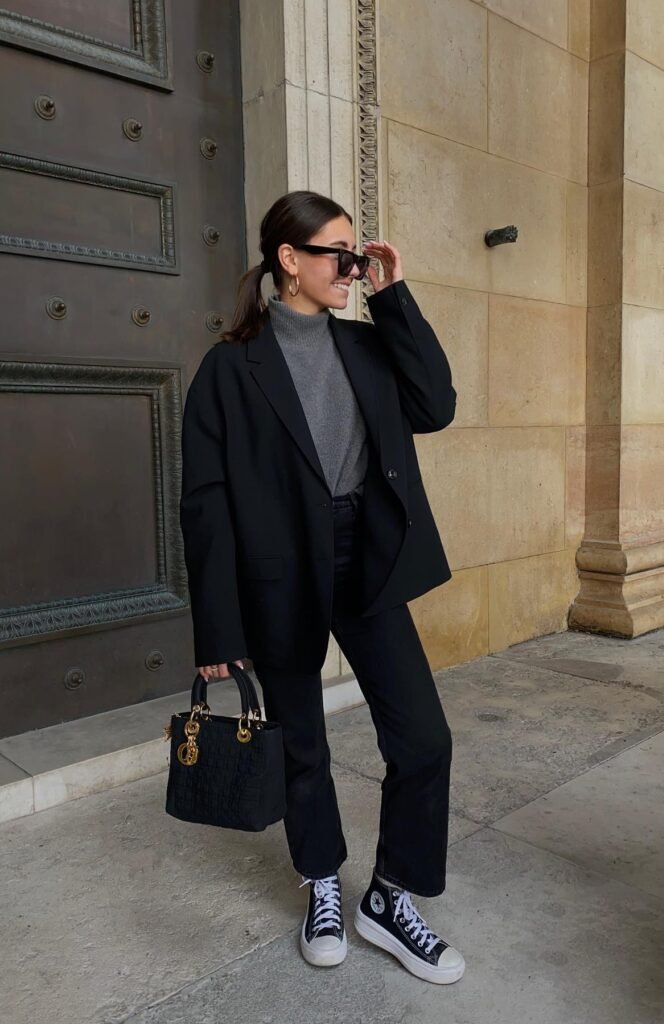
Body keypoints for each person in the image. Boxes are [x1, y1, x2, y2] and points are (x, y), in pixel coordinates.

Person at [179, 190, 465, 985]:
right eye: (337, 254)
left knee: (423, 739)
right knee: (302, 740)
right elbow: (204, 508)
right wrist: (217, 636)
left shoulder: (368, 346)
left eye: (354, 254)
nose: (350, 266)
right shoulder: (230, 368)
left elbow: (435, 406)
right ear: (289, 261)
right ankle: (322, 885)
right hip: (279, 572)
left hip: (366, 559)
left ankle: (391, 896)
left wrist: (392, 294)